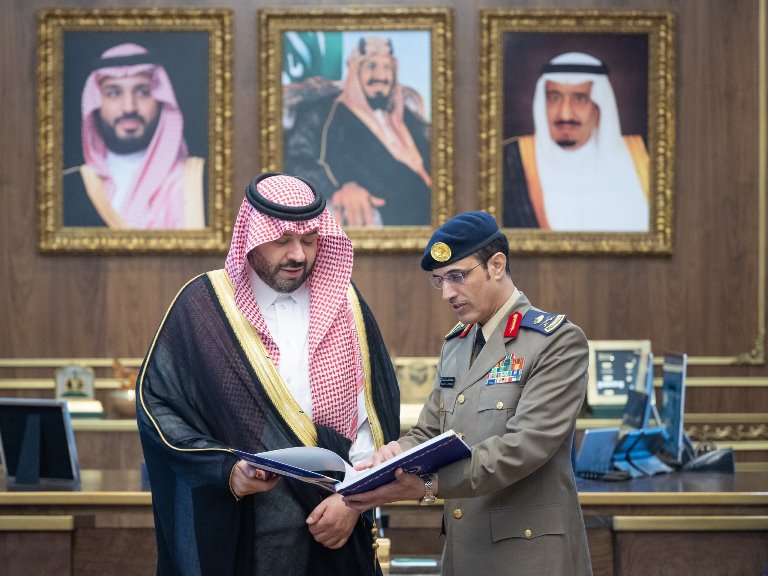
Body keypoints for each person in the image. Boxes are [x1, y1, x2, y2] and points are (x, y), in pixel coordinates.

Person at [136, 173, 401, 575]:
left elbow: (373, 425)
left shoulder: (346, 304)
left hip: (335, 530)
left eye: (309, 240)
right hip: (244, 531)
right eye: (282, 240)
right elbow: (159, 407)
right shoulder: (204, 307)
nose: (298, 255)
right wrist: (227, 471)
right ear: (252, 236)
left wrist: (353, 501)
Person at [344, 211, 593, 576]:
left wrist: (429, 484)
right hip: (464, 553)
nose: (447, 293)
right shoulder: (458, 343)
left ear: (496, 265)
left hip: (528, 556)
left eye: (457, 276)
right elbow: (429, 432)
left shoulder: (555, 341)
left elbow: (524, 447)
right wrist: (396, 456)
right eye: (439, 280)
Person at [284, 36, 431, 227]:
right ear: (355, 70)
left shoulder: (405, 116)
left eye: (387, 67)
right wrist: (339, 189)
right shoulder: (324, 112)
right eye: (371, 66)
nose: (381, 75)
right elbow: (297, 159)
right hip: (390, 217)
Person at [503, 51, 649, 232]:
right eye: (554, 98)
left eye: (580, 99)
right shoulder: (509, 159)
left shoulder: (643, 157)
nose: (565, 114)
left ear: (599, 105)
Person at [63, 43, 205, 229]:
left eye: (142, 92)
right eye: (114, 93)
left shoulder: (198, 181)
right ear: (96, 102)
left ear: (160, 99)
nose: (129, 107)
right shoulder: (68, 188)